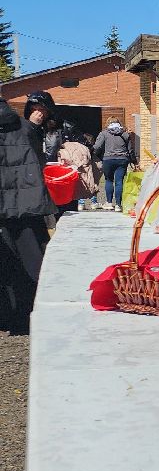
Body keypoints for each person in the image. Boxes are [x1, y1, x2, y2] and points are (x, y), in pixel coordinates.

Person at [0, 96, 57, 333]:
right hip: (28, 205)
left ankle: (7, 316)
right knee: (33, 259)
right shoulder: (26, 128)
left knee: (6, 260)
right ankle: (37, 312)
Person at [93, 118, 137, 210]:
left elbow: (97, 147)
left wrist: (98, 156)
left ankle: (109, 203)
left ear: (108, 123)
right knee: (119, 181)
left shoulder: (104, 133)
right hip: (122, 160)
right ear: (119, 123)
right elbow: (130, 150)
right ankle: (118, 205)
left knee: (108, 180)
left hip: (108, 159)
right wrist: (134, 161)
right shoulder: (125, 134)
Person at [55, 123, 96, 212]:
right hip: (79, 174)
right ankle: (89, 202)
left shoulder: (61, 146)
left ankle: (80, 204)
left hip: (63, 174)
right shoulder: (82, 146)